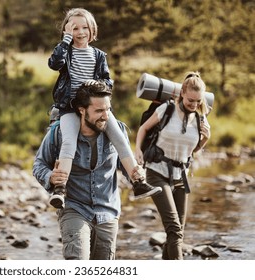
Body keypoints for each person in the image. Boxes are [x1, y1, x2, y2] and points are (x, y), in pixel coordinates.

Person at [47, 7, 161, 209]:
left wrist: (96, 85)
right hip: (70, 107)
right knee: (69, 142)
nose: (80, 32)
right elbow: (54, 64)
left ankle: (138, 182)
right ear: (67, 30)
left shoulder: (98, 55)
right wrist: (65, 40)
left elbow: (108, 82)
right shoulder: (66, 52)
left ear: (92, 30)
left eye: (85, 27)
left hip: (96, 106)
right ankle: (60, 189)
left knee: (119, 136)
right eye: (74, 28)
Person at [33, 81, 128, 260]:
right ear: (82, 110)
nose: (105, 116)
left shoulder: (119, 131)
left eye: (108, 109)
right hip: (74, 208)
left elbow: (126, 166)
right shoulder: (59, 132)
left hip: (108, 211)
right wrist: (51, 177)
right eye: (99, 111)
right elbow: (39, 165)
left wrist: (138, 172)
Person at [134, 71, 211, 260]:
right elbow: (144, 128)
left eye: (198, 101)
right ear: (182, 92)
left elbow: (193, 150)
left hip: (181, 176)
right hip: (157, 171)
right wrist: (137, 149)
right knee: (174, 228)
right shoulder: (167, 109)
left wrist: (205, 139)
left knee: (177, 232)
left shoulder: (201, 119)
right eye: (190, 100)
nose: (193, 105)